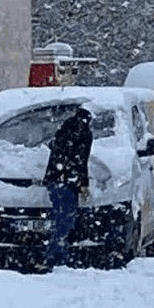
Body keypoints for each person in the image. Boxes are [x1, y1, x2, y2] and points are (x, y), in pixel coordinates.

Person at [42, 106, 93, 269]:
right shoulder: (84, 133)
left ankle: (56, 253)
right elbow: (81, 160)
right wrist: (83, 183)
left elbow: (56, 152)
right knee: (66, 218)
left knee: (58, 217)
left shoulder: (63, 129)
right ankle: (57, 255)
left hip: (54, 179)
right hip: (68, 181)